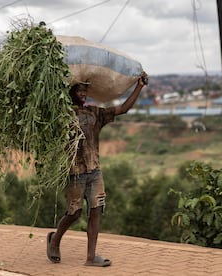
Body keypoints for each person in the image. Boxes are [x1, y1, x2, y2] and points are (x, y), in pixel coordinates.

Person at [47, 71, 148, 267]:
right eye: (79, 90)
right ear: (70, 92)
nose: (83, 94)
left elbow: (123, 109)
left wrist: (139, 86)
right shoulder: (62, 116)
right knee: (74, 213)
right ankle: (55, 239)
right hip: (74, 172)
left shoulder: (95, 113)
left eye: (85, 90)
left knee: (96, 210)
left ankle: (91, 257)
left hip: (95, 171)